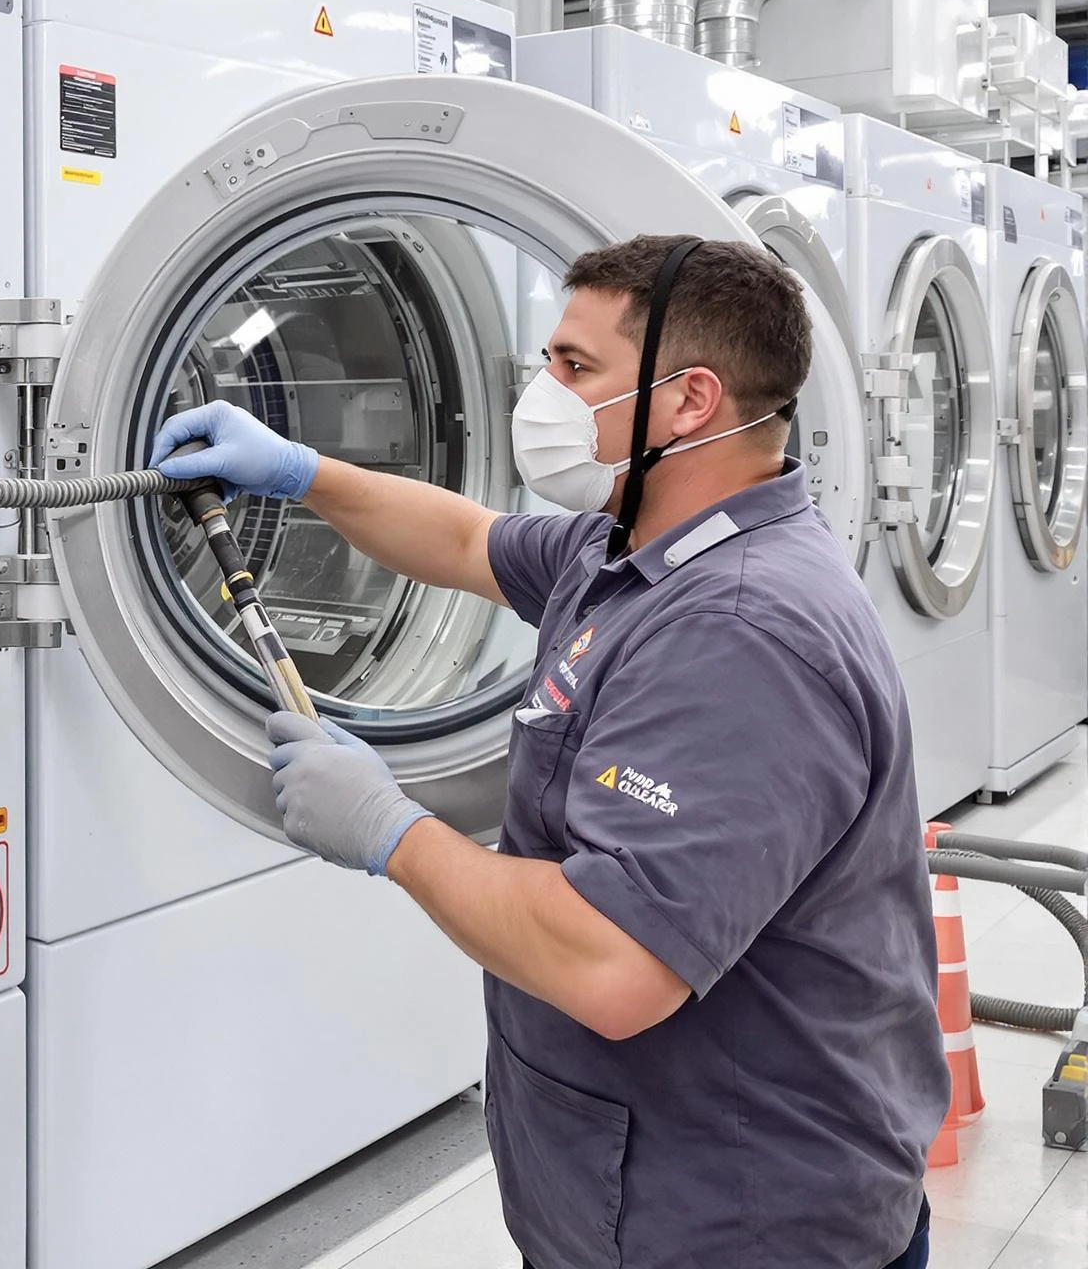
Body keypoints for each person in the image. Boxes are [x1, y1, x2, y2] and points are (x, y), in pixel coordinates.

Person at [153, 235, 946, 1269]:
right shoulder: (627, 546)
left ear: (688, 400)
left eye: (573, 368)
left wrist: (392, 832)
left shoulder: (741, 632)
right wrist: (299, 471)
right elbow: (462, 540)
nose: (541, 394)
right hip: (635, 1183)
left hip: (738, 1220)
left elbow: (615, 963)